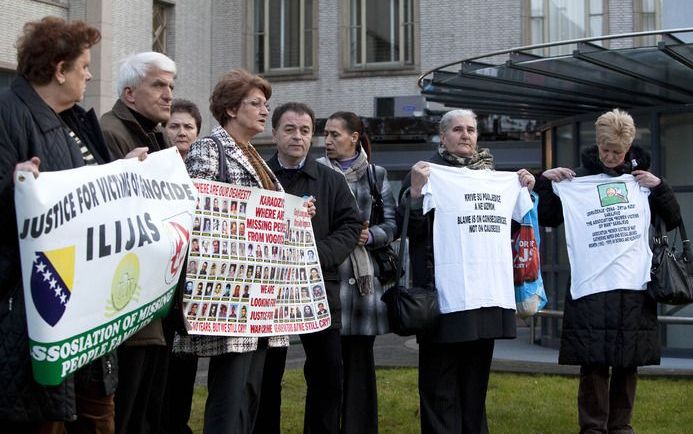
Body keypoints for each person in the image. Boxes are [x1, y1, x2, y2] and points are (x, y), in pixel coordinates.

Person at [0, 16, 118, 434]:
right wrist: (15, 187)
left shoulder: (69, 125)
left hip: (76, 310)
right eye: (84, 65)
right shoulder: (8, 116)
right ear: (59, 69)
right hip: (28, 310)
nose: (89, 74)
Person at [535, 108, 681, 434]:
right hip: (592, 285)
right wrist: (546, 181)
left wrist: (660, 188)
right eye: (605, 149)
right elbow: (546, 216)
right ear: (597, 144)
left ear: (628, 148)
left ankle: (621, 427)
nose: (611, 156)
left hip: (634, 284)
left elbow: (671, 219)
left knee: (628, 363)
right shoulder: (578, 180)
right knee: (594, 362)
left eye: (617, 151)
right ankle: (592, 427)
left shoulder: (643, 182)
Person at [398, 109, 535, 433]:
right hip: (443, 297)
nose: (465, 135)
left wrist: (526, 187)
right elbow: (409, 230)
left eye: (471, 130)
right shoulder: (427, 173)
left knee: (475, 385)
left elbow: (511, 228)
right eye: (457, 129)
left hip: (485, 295)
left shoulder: (493, 177)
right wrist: (415, 194)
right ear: (443, 136)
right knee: (439, 383)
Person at [172, 69, 287, 434]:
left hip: (259, 294)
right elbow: (199, 202)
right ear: (232, 109)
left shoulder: (255, 155)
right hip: (229, 292)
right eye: (256, 103)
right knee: (230, 390)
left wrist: (295, 212)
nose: (264, 111)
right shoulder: (210, 148)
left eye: (265, 104)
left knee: (251, 389)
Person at [255, 102, 361, 434]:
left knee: (326, 376)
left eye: (304, 130)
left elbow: (349, 226)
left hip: (319, 292)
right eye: (289, 129)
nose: (297, 137)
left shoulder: (331, 180)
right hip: (268, 293)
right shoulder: (256, 178)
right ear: (274, 134)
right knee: (266, 376)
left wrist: (315, 256)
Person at [100, 50, 176, 434]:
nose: (168, 94)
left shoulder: (157, 135)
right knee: (127, 409)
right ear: (130, 94)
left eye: (171, 86)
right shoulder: (111, 131)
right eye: (158, 85)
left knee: (150, 408)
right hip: (128, 299)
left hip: (155, 298)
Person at [317, 111, 398, 434]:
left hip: (365, 283)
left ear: (354, 137)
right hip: (329, 275)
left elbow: (391, 224)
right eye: (325, 134)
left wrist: (370, 235)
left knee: (360, 363)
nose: (328, 140)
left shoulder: (376, 175)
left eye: (335, 134)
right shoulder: (318, 172)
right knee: (326, 365)